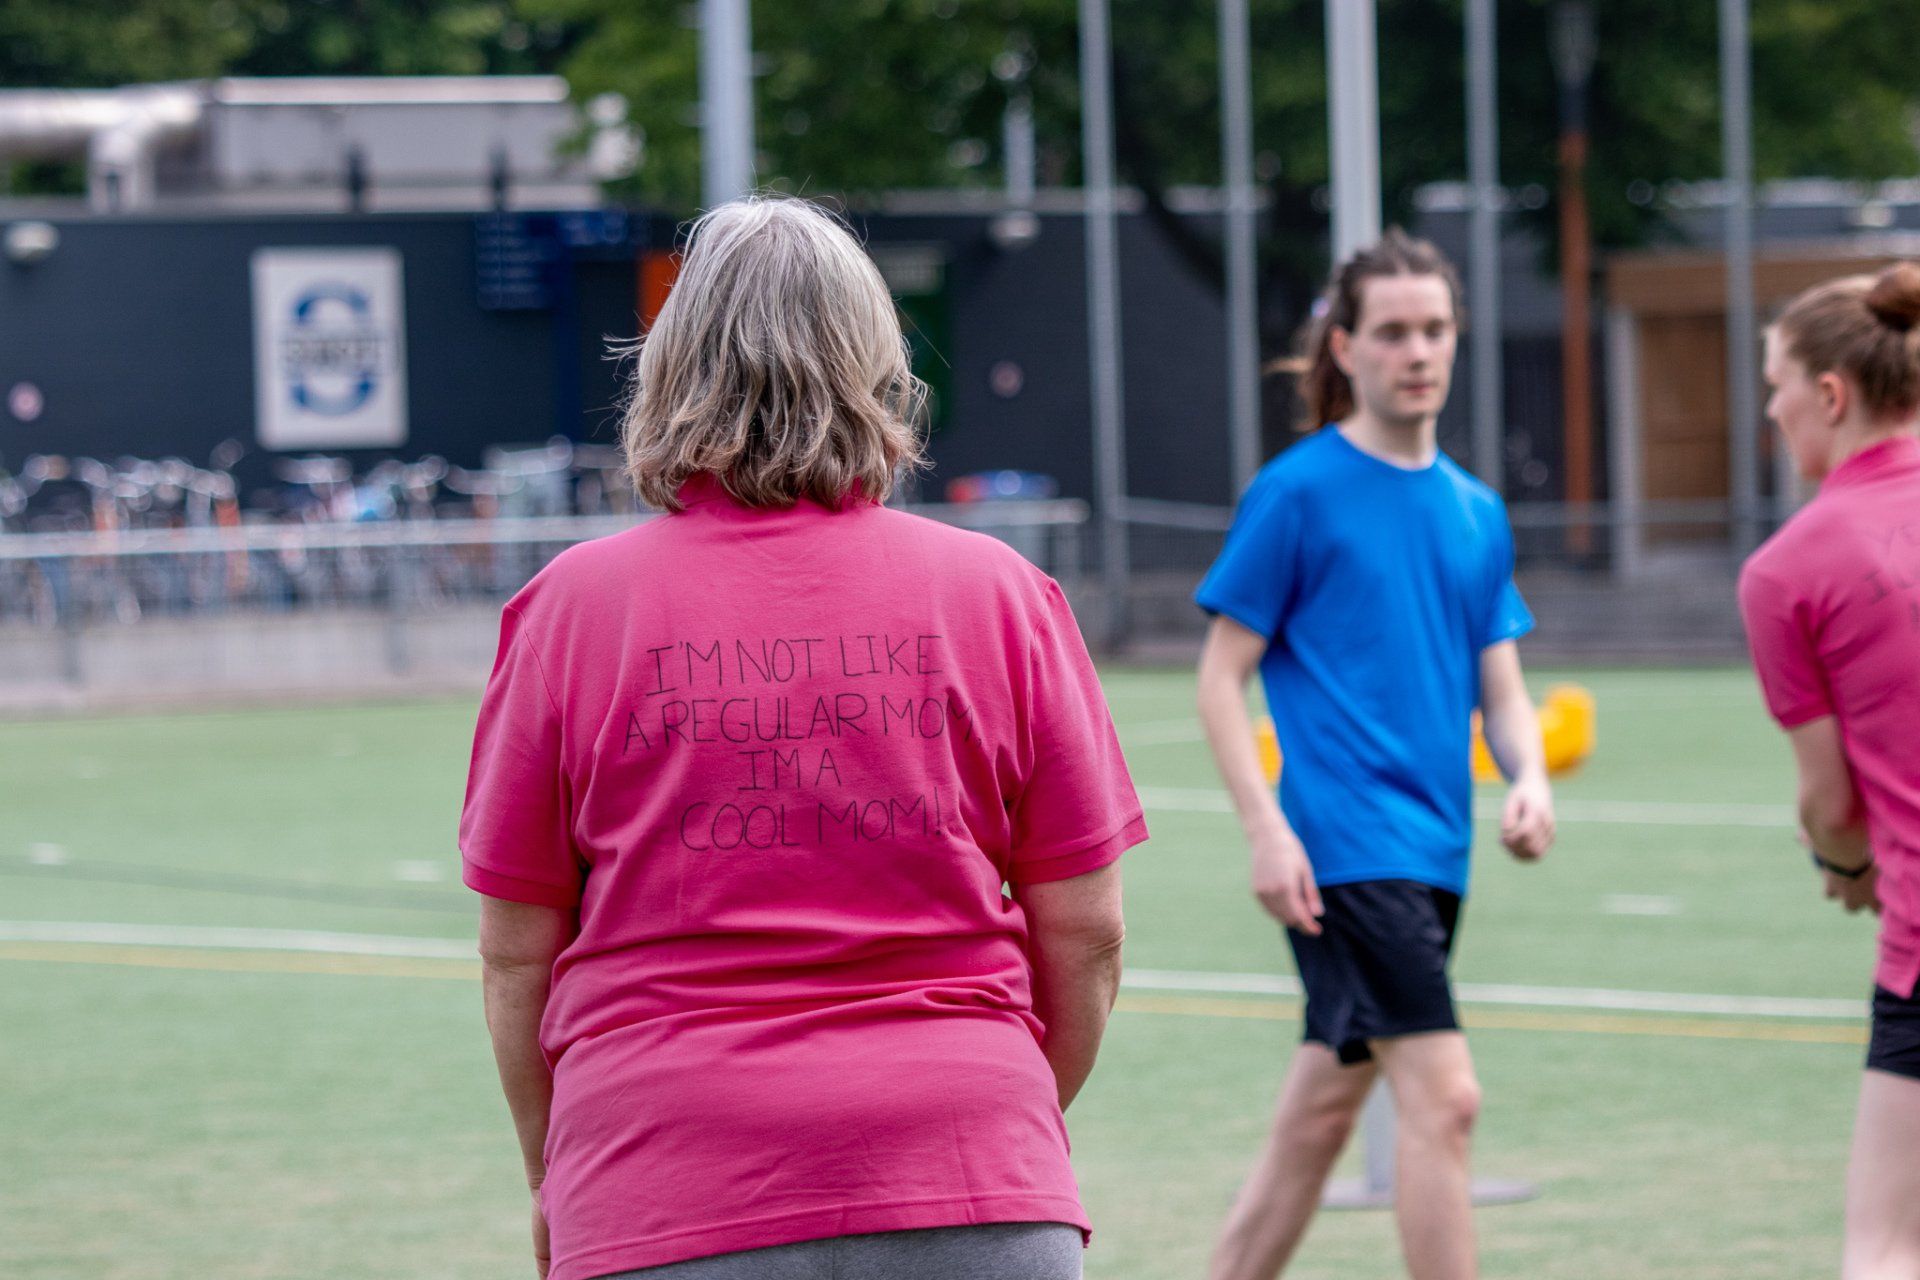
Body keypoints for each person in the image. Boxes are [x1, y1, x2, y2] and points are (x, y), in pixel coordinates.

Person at [459, 196, 1147, 1280]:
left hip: (660, 1177)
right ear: (876, 363)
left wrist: (557, 1170)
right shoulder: (1003, 594)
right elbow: (1088, 931)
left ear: (670, 367)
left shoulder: (570, 611)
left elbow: (515, 953)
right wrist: (990, 1116)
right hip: (976, 1170)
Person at [1193, 229, 1554, 1280]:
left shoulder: (1476, 510)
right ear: (1345, 347)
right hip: (1347, 848)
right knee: (1446, 1099)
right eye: (1393, 331)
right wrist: (1267, 831)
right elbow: (1219, 678)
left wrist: (1529, 777)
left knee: (1319, 1115)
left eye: (1435, 329)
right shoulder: (1297, 492)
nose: (1418, 351)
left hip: (1438, 850)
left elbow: (1502, 687)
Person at [1738, 263, 1920, 1280]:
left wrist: (1844, 867)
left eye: (1776, 385)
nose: (1771, 410)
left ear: (1832, 394)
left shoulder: (1787, 569)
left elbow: (1833, 804)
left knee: (1886, 1244)